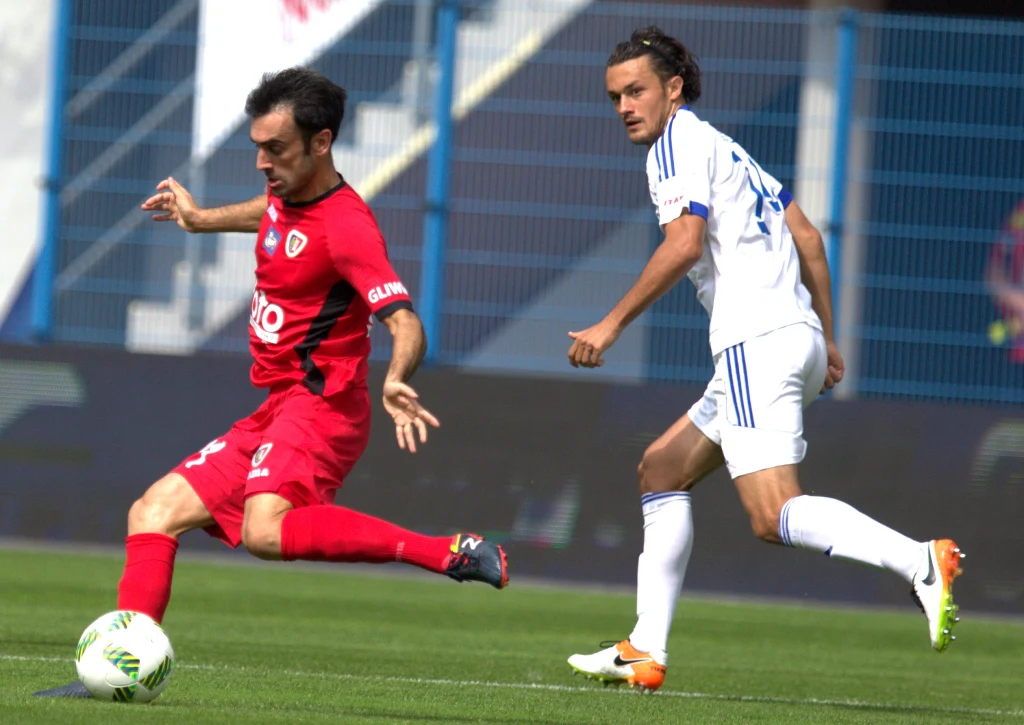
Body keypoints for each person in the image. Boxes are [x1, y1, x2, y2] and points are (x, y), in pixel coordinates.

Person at [36, 67, 508, 698]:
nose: (261, 161)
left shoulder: (347, 228)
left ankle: (444, 550)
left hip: (325, 407)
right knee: (153, 512)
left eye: (276, 148)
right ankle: (120, 668)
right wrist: (200, 220)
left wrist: (396, 377)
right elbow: (271, 213)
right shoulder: (290, 195)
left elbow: (404, 320)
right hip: (281, 406)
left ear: (321, 143)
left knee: (264, 531)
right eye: (256, 146)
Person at [565, 27, 963, 693]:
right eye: (614, 98)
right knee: (662, 467)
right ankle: (644, 648)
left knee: (773, 513)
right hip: (790, 338)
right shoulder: (728, 148)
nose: (625, 107)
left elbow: (685, 243)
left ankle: (920, 560)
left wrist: (610, 323)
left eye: (636, 91)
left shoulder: (675, 146)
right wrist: (827, 338)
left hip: (757, 340)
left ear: (674, 88)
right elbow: (807, 235)